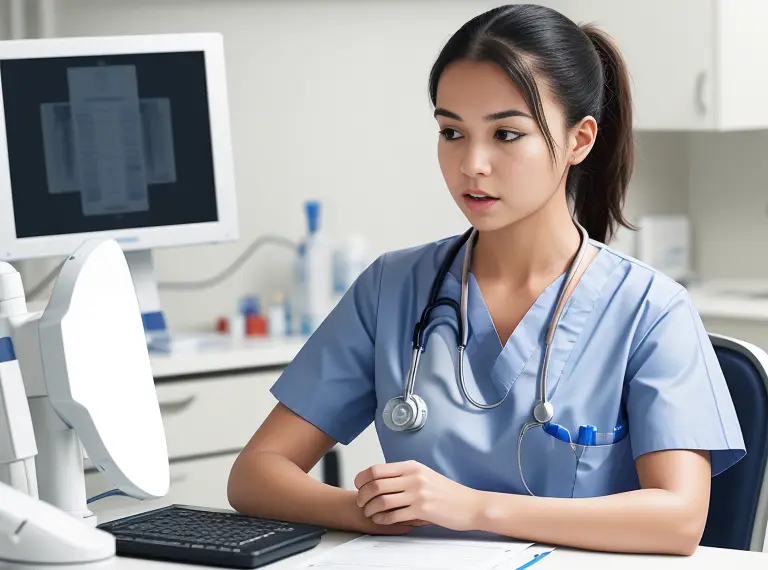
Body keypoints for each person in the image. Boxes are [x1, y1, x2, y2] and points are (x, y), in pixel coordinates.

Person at [227, 4, 745, 556]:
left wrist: (473, 508)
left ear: (579, 140)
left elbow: (679, 518)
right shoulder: (391, 289)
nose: (472, 164)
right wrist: (369, 511)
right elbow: (256, 473)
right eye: (452, 131)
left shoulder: (649, 310)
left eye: (506, 134)